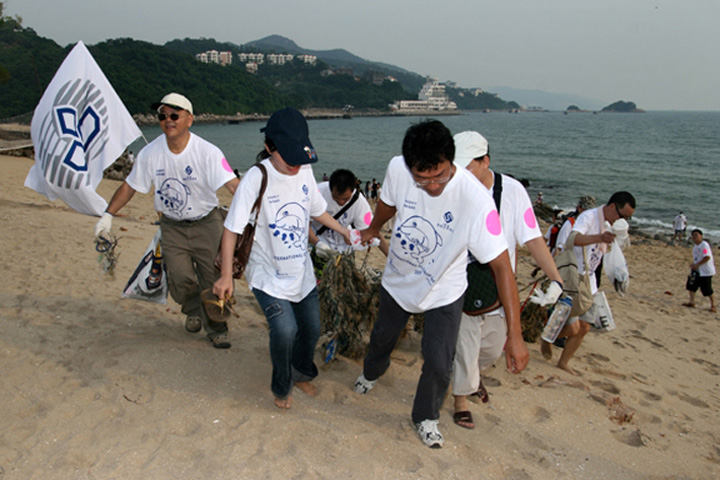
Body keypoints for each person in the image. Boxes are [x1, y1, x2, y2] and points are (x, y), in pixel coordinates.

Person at [354, 120, 526, 448]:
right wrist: (374, 228)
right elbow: (388, 202)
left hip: (446, 289)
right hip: (399, 281)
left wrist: (515, 336)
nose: (433, 185)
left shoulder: (476, 199)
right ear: (409, 167)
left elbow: (503, 267)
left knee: (438, 359)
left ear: (452, 161)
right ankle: (371, 372)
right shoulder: (397, 169)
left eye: (441, 175)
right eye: (423, 178)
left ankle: (426, 416)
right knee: (381, 339)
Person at [213, 107, 352, 409]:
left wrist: (342, 230)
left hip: (300, 270)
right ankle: (281, 386)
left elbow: (316, 209)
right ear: (269, 148)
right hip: (267, 274)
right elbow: (231, 229)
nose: (295, 164)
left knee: (312, 328)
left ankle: (302, 372)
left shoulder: (303, 168)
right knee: (285, 330)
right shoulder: (256, 178)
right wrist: (226, 275)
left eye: (300, 156)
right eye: (288, 156)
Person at [94, 93, 239, 348]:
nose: (167, 120)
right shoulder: (150, 153)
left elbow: (233, 185)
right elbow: (129, 187)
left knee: (213, 278)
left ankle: (217, 327)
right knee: (180, 279)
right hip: (171, 226)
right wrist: (107, 215)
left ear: (189, 120)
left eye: (174, 115)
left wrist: (256, 211)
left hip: (207, 223)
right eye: (162, 116)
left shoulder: (208, 152)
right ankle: (194, 309)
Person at [450, 131, 564, 429]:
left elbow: (534, 240)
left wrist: (556, 279)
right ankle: (461, 399)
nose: (460, 173)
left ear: (485, 161)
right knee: (466, 344)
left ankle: (472, 378)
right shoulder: (452, 188)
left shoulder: (512, 192)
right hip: (460, 282)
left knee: (491, 348)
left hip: (501, 288)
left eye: (467, 166)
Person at [543, 191, 636, 374]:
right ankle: (547, 337)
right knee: (573, 327)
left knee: (584, 327)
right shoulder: (589, 216)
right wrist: (600, 238)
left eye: (628, 218)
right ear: (611, 207)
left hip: (590, 280)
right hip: (574, 277)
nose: (623, 220)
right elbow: (573, 239)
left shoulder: (612, 224)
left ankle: (563, 361)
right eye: (623, 216)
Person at [309, 168, 389, 256]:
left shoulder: (359, 201)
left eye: (345, 199)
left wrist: (390, 258)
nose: (341, 202)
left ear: (352, 190)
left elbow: (372, 231)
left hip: (344, 250)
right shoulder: (317, 193)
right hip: (316, 245)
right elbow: (304, 225)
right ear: (330, 189)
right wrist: (318, 244)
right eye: (336, 198)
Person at [682, 229, 716, 313]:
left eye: (696, 235)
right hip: (697, 270)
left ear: (701, 236)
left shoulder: (704, 245)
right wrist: (694, 265)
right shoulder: (695, 247)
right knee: (691, 285)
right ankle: (692, 302)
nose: (694, 237)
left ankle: (713, 305)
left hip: (705, 272)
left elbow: (707, 257)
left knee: (707, 289)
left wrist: (697, 265)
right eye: (693, 235)